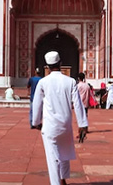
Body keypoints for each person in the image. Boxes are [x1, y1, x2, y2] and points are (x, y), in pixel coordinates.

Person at [32, 51, 88, 185]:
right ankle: (63, 179)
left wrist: (36, 122)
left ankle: (57, 182)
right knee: (64, 154)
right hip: (66, 125)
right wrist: (83, 124)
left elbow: (37, 104)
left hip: (50, 126)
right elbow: (78, 104)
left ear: (47, 66)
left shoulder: (43, 82)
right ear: (61, 63)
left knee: (53, 159)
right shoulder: (70, 81)